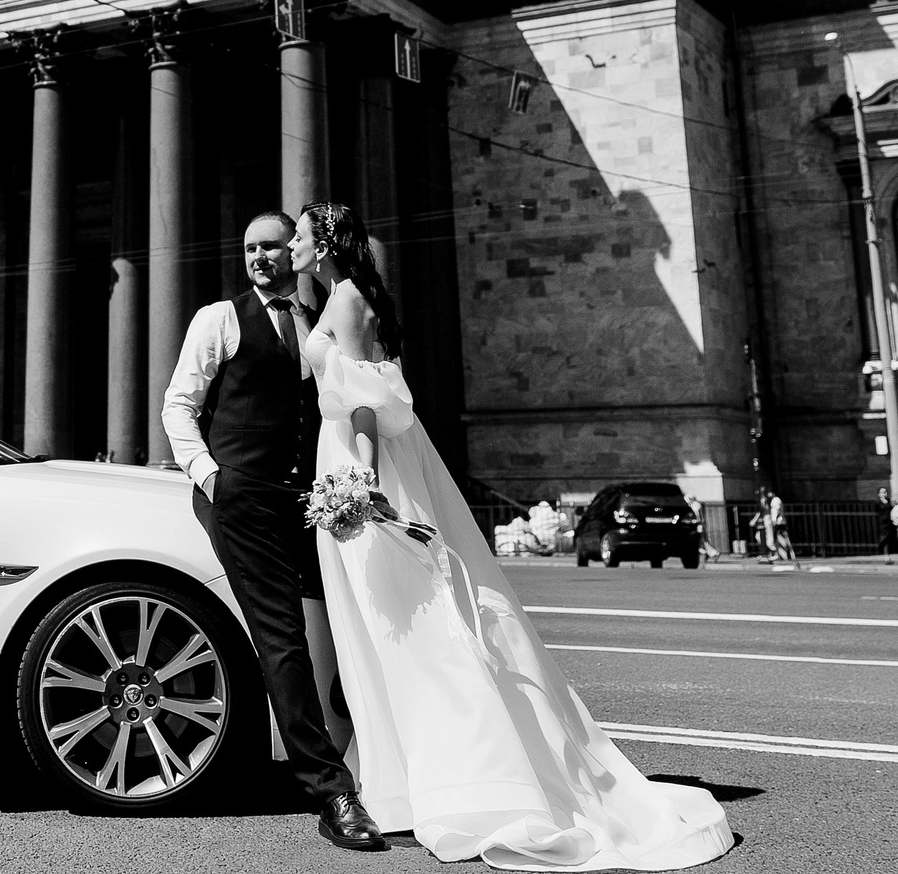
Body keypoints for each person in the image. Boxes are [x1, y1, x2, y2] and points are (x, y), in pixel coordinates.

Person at [293, 202, 733, 868]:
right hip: (351, 463)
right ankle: (408, 782)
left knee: (408, 632)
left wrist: (359, 487)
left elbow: (363, 402)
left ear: (322, 242)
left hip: (360, 470)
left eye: (299, 234)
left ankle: (471, 779)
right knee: (388, 633)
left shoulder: (349, 299)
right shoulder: (341, 296)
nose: (292, 244)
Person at [162, 213, 381, 851]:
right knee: (283, 638)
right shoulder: (218, 317)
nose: (259, 257)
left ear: (295, 250)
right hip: (245, 497)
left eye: (271, 246)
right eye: (249, 246)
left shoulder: (322, 313)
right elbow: (180, 402)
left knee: (348, 624)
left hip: (313, 497)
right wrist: (209, 475)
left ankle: (370, 757)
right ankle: (329, 789)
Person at [766, 487, 795, 565]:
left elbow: (777, 510)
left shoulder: (776, 500)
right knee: (778, 538)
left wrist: (774, 521)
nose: (768, 495)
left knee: (778, 538)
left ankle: (780, 554)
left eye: (769, 493)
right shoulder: (775, 500)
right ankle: (779, 554)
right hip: (778, 521)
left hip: (778, 522)